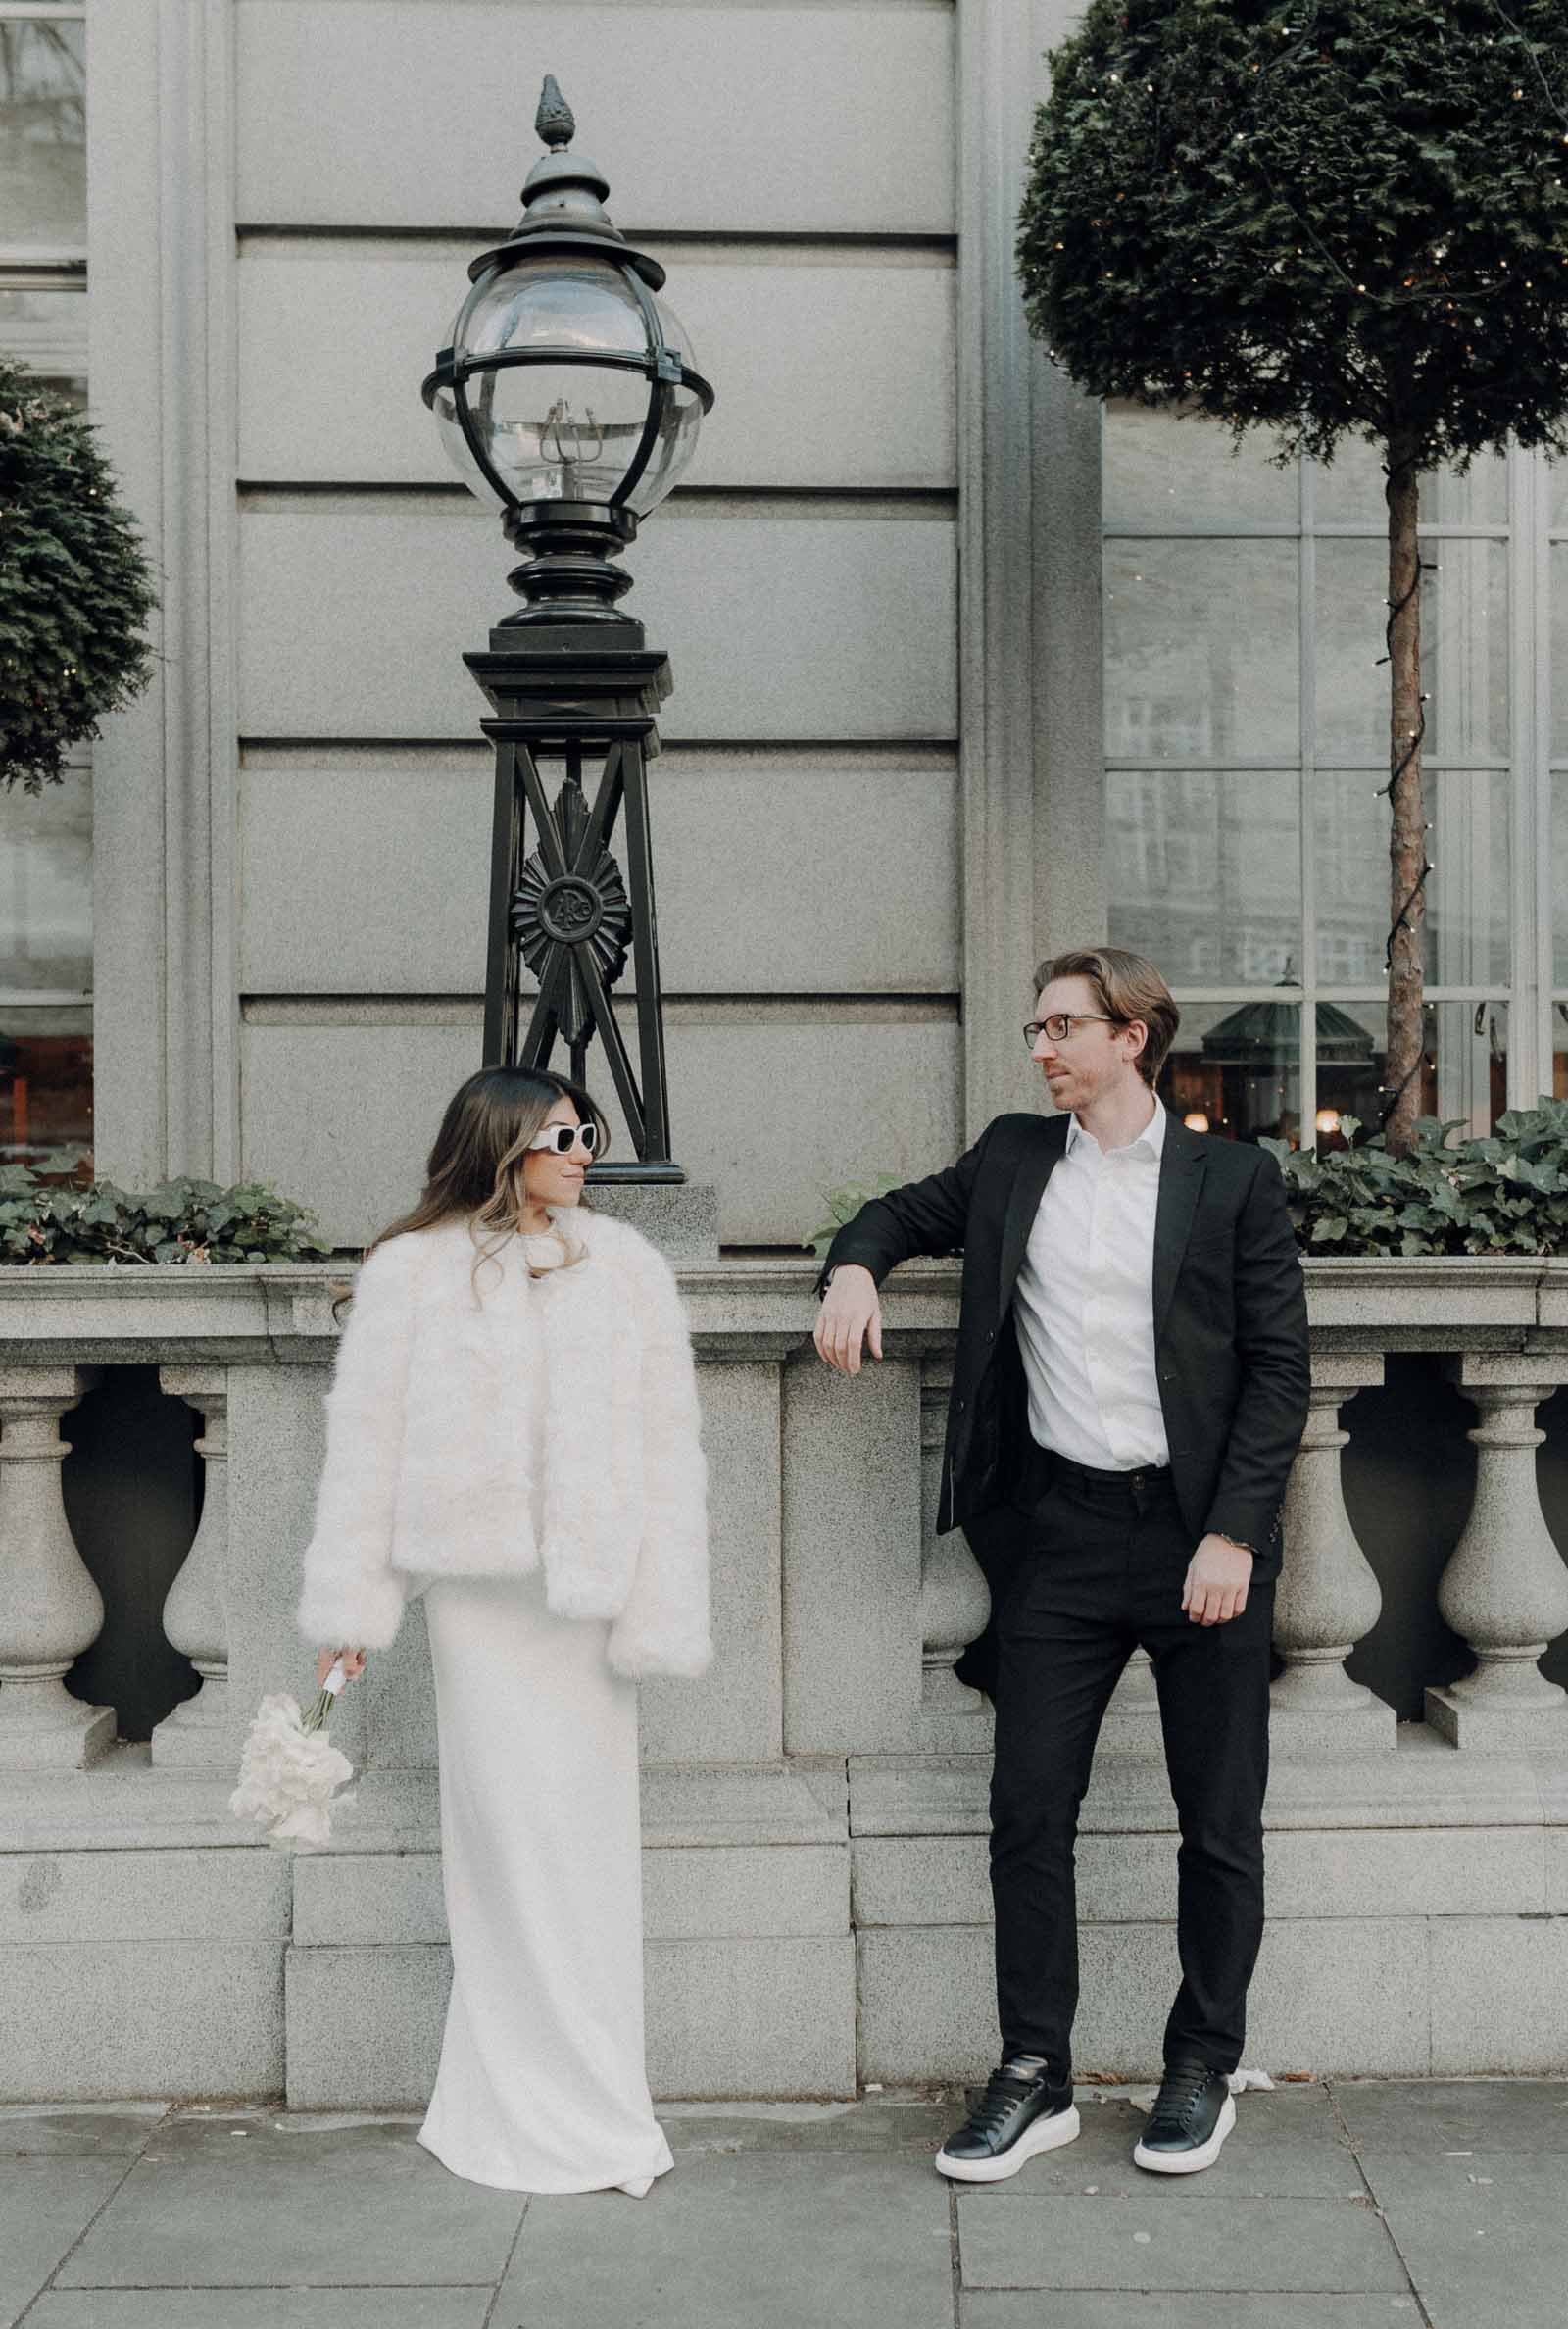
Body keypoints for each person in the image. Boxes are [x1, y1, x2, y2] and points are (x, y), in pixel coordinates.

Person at [814, 948, 1308, 2181]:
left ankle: (1201, 2063)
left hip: (1200, 1539)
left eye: (1062, 1027)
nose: (1040, 1048)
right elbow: (894, 1214)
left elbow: (1277, 1371)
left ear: (1131, 1037)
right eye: (1035, 1029)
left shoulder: (1232, 1180)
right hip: (1062, 1540)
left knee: (1218, 1822)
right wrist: (854, 1268)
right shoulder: (1013, 1157)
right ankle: (1034, 2072)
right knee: (1027, 1813)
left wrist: (1233, 1534)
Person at [296, 1065, 711, 2197]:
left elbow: (665, 1446)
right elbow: (368, 1447)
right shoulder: (411, 1271)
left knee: (586, 1862)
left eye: (588, 1134)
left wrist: (660, 1602)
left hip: (583, 1608)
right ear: (499, 1145)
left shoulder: (624, 1263)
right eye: (560, 1136)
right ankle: (508, 2112)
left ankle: (600, 2110)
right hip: (481, 1607)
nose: (582, 1155)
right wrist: (352, 1611)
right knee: (505, 1857)